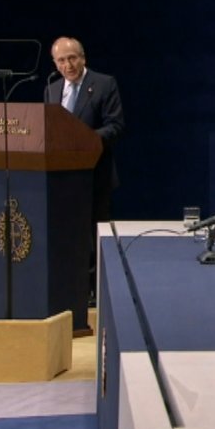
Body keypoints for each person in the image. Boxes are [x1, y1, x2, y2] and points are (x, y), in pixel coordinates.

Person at [45, 36, 125, 304]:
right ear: (55, 64)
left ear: (83, 58)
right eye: (61, 60)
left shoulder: (103, 84)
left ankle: (95, 289)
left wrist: (83, 139)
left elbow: (115, 126)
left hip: (94, 176)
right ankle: (69, 287)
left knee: (93, 235)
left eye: (72, 58)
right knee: (66, 234)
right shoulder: (52, 90)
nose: (68, 65)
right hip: (61, 178)